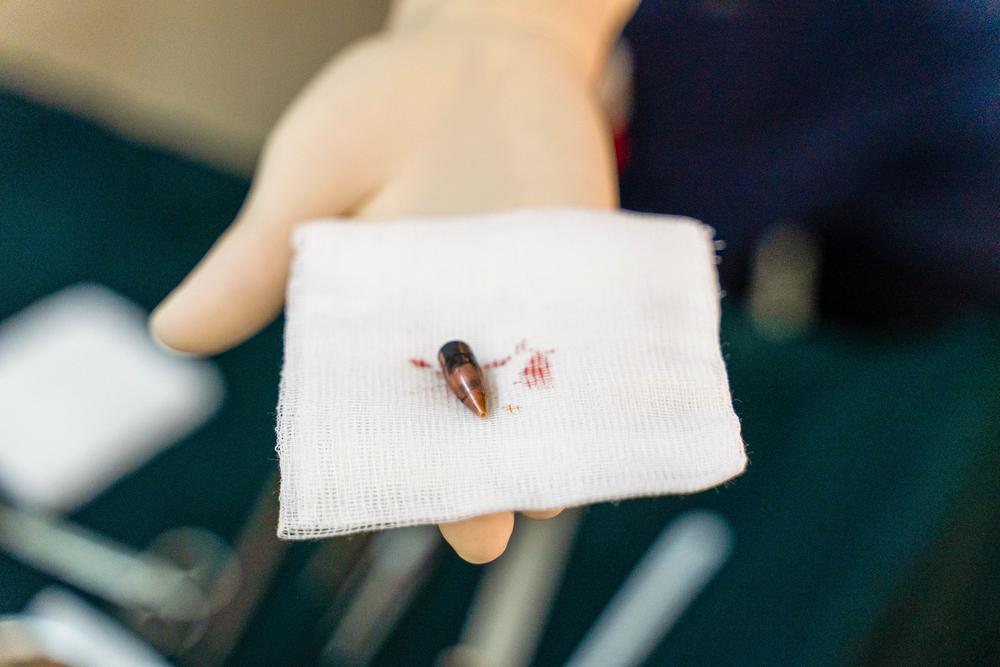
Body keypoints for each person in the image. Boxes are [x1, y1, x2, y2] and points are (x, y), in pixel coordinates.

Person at [149, 0, 999, 562]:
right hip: (688, 72)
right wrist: (515, 26)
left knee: (907, 295)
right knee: (668, 270)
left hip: (951, 119)